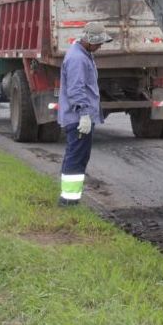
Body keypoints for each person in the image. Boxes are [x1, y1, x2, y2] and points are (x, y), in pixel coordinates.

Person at [56, 21, 112, 206]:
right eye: (98, 43)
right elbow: (76, 90)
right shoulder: (78, 59)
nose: (100, 46)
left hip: (77, 117)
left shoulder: (83, 54)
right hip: (78, 118)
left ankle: (68, 197)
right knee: (76, 157)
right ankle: (69, 201)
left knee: (76, 155)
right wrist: (84, 114)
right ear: (89, 41)